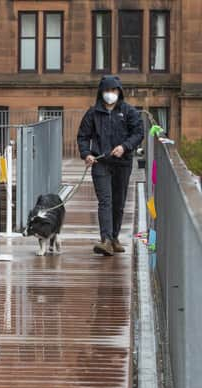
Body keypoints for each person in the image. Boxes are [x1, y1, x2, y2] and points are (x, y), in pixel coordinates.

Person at [77, 75, 143, 256]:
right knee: (105, 200)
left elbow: (138, 133)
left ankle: (114, 237)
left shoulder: (129, 111)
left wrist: (124, 147)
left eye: (113, 90)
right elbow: (83, 136)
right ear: (101, 92)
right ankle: (105, 239)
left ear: (119, 92)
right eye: (107, 90)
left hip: (123, 163)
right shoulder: (92, 113)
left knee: (118, 202)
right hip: (101, 162)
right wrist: (87, 154)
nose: (110, 94)